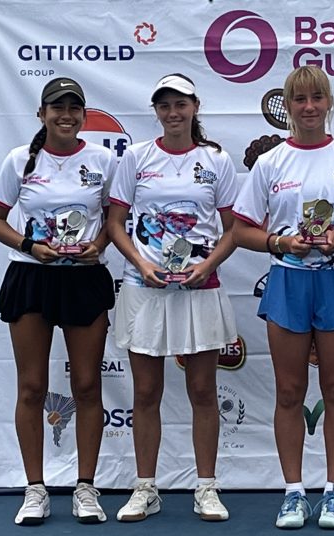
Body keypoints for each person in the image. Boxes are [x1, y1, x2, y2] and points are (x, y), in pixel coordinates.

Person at [232, 65, 334, 530]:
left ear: (329, 102)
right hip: (287, 281)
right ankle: (294, 492)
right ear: (289, 107)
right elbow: (240, 230)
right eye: (300, 99)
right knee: (288, 391)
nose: (310, 107)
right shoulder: (271, 163)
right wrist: (279, 242)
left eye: (318, 97)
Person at [0, 77, 117, 525]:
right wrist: (29, 245)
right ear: (42, 114)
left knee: (87, 386)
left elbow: (115, 220)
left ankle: (86, 488)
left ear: (83, 115)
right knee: (32, 387)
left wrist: (98, 245)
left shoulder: (102, 160)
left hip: (84, 280)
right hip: (31, 278)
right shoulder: (19, 159)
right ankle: (35, 489)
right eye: (57, 108)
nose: (66, 115)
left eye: (74, 108)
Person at [107, 73, 238, 523]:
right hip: (145, 288)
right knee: (146, 392)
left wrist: (207, 265)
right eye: (164, 105)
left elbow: (233, 228)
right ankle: (146, 487)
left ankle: (206, 487)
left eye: (180, 104)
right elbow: (115, 223)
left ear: (194, 107)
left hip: (200, 289)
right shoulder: (136, 157)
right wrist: (141, 264)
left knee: (202, 390)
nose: (173, 112)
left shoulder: (216, 160)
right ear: (157, 111)